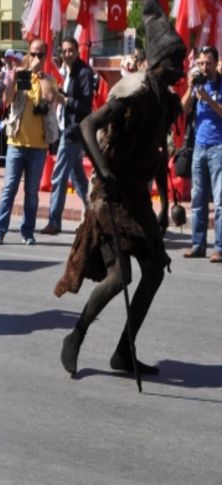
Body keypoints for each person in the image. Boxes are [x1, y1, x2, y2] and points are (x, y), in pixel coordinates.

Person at [56, 0, 186, 376]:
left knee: (155, 272)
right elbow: (86, 128)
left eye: (181, 60)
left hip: (137, 195)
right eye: (173, 61)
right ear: (158, 61)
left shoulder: (166, 103)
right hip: (109, 194)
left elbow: (158, 154)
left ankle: (124, 351)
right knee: (119, 277)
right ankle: (76, 335)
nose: (179, 69)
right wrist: (104, 172)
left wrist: (162, 205)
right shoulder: (135, 91)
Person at [0, 38, 59, 245]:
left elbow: (48, 97)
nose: (36, 58)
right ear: (28, 54)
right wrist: (13, 79)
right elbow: (7, 100)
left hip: (38, 146)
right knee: (9, 188)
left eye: (40, 54)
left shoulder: (48, 79)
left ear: (46, 57)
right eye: (33, 54)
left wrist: (40, 75)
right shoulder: (23, 77)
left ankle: (27, 231)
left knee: (31, 193)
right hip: (17, 143)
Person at [40, 37, 93, 235]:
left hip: (74, 131)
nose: (67, 54)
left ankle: (54, 222)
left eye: (71, 50)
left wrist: (65, 100)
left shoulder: (84, 73)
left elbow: (86, 105)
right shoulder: (69, 72)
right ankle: (93, 212)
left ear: (78, 51)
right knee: (77, 176)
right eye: (64, 51)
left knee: (58, 176)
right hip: (67, 128)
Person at [181, 45, 222, 263]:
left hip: (219, 147)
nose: (204, 67)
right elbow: (182, 109)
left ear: (216, 63)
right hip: (199, 147)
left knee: (220, 200)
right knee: (198, 200)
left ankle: (220, 248)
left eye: (208, 63)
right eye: (201, 63)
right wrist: (190, 89)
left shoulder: (219, 84)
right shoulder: (197, 83)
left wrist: (208, 99)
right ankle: (198, 245)